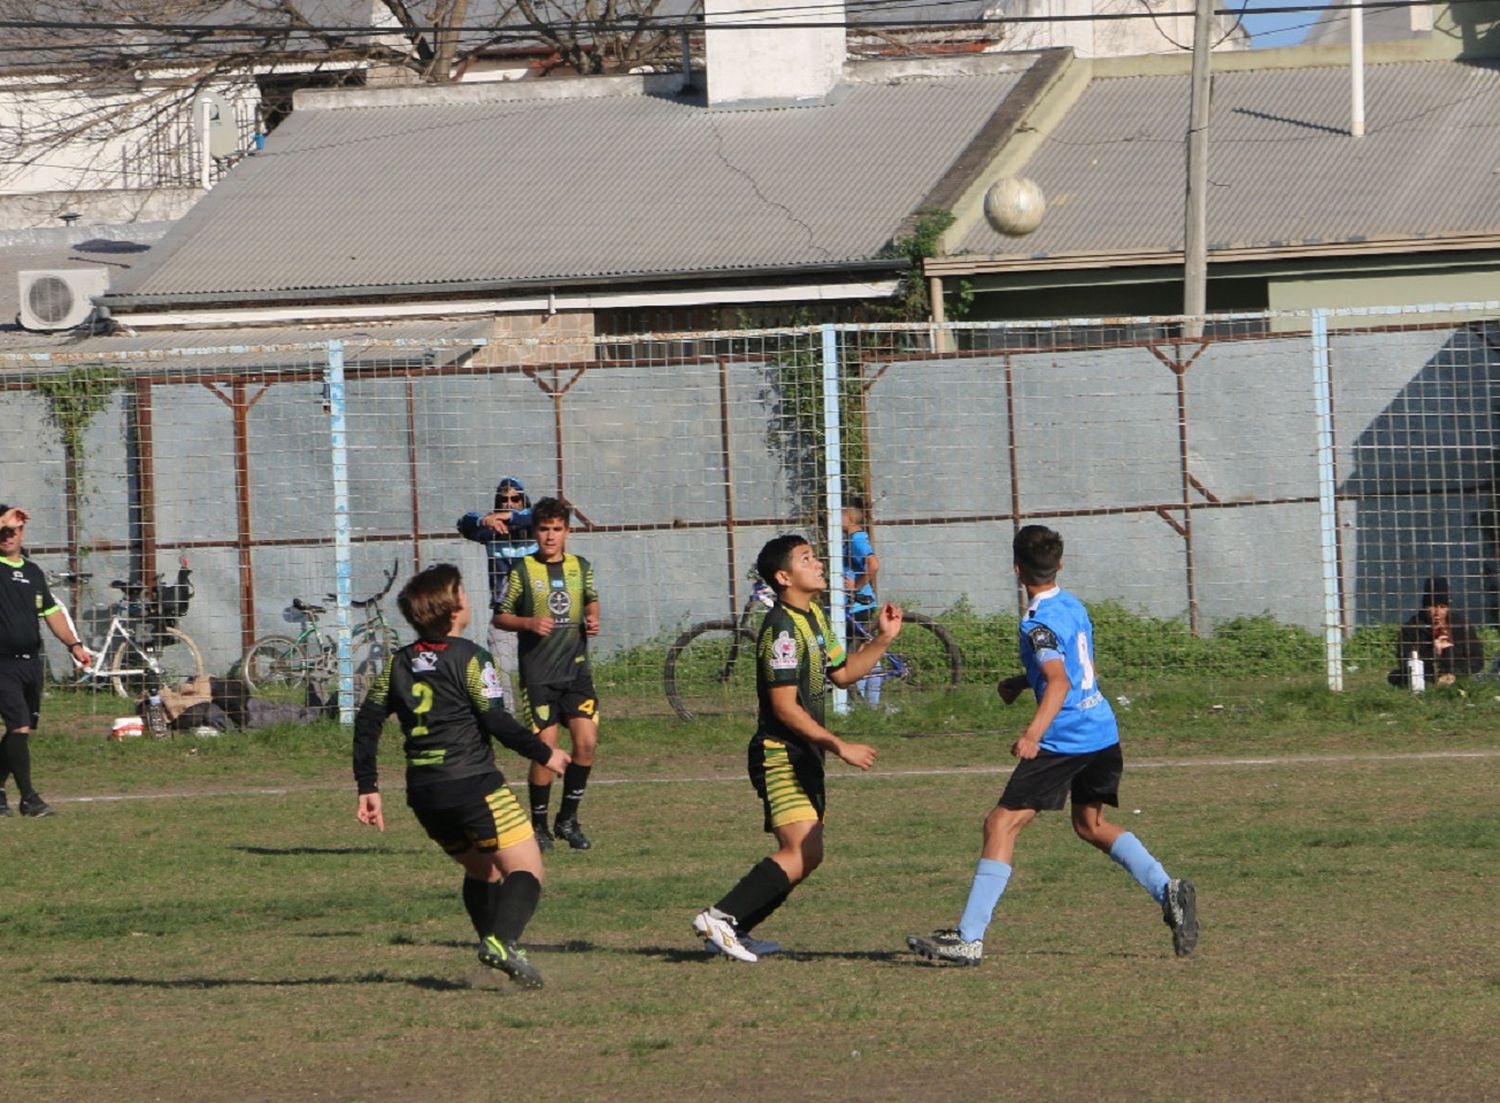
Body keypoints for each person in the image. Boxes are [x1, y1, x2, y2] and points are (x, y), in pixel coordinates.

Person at [906, 524, 1198, 966]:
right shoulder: (1072, 604)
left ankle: (968, 938)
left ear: (1017, 570)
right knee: (1090, 826)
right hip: (1102, 731)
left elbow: (1060, 682)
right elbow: (1080, 670)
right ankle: (1167, 888)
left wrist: (1031, 736)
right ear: (1059, 563)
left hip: (1065, 740)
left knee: (999, 825)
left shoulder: (1036, 621)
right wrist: (1024, 681)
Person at [353, 563, 570, 989]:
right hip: (473, 785)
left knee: (483, 873)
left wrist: (368, 786)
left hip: (426, 794)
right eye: (462, 592)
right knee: (527, 869)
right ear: (452, 609)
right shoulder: (471, 658)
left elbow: (367, 722)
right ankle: (503, 942)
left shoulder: (396, 665)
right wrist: (545, 752)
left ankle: (497, 947)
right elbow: (495, 720)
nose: (468, 597)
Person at [692, 534, 903, 963]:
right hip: (779, 753)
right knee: (799, 849)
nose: (819, 563)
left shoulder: (814, 617)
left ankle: (737, 928)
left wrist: (882, 639)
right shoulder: (781, 630)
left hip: (804, 753)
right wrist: (839, 744)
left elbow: (842, 674)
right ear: (784, 576)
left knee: (810, 853)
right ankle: (721, 916)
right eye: (807, 558)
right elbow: (785, 708)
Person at [493, 497, 601, 852]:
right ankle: (538, 825)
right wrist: (527, 622)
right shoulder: (522, 570)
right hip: (539, 675)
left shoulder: (580, 567)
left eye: (557, 529)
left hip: (576, 673)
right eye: (544, 529)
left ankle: (567, 819)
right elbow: (500, 616)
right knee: (546, 749)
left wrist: (593, 616)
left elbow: (591, 598)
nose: (550, 536)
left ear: (567, 531)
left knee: (586, 743)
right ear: (534, 532)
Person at [0, 506, 92, 818]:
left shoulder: (33, 572)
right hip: (2, 664)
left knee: (19, 730)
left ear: (22, 533)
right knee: (19, 726)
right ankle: (29, 798)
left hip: (30, 664)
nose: (7, 537)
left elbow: (51, 612)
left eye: (12, 531)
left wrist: (74, 644)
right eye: (2, 532)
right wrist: (2, 519)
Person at [457, 476, 536, 706]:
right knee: (499, 670)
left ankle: (542, 719)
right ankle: (507, 721)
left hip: (535, 611)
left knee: (538, 673)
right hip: (505, 613)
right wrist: (484, 520)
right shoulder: (490, 531)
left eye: (515, 499)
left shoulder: (536, 526)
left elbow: (543, 512)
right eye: (504, 500)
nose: (509, 503)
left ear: (523, 501)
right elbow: (464, 522)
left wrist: (510, 516)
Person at [1387, 575, 1484, 687]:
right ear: (1425, 607)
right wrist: (1434, 653)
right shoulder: (1411, 628)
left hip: (1457, 673)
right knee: (1396, 676)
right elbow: (1405, 662)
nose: (1437, 612)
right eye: (1432, 607)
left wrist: (1454, 673)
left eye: (1442, 607)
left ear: (1448, 608)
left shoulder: (1461, 625)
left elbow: (1477, 659)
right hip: (1425, 674)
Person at [842, 503, 882, 706]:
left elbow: (873, 565)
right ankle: (862, 704)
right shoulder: (849, 540)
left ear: (849, 519)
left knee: (860, 654)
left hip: (860, 605)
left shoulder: (857, 540)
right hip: (852, 606)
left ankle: (867, 706)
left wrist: (857, 585)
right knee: (862, 652)